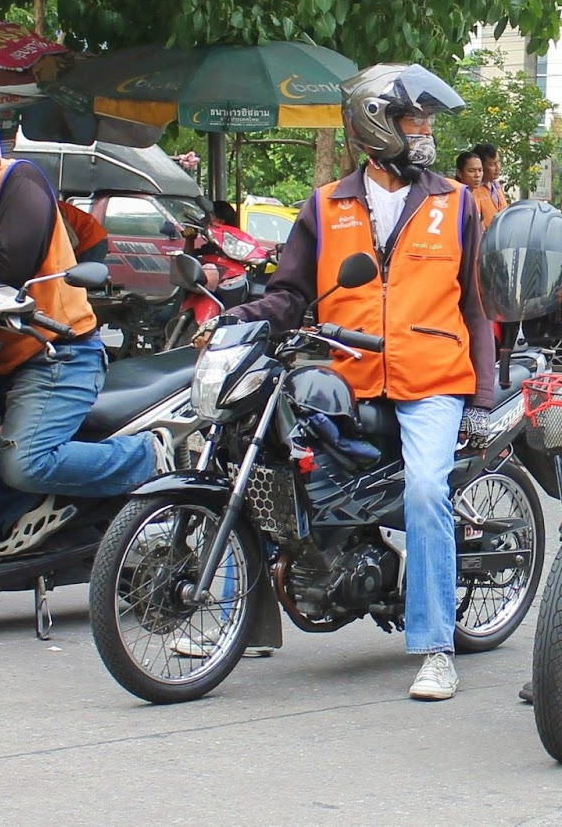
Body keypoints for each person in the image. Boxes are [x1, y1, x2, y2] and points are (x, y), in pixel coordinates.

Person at [201, 63, 496, 702]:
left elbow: (476, 305)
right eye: (414, 119)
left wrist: (482, 396)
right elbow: (289, 294)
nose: (425, 132)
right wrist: (237, 319)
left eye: (427, 121)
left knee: (426, 490)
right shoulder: (326, 203)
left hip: (432, 377)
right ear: (375, 124)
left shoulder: (456, 203)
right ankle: (229, 618)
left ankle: (435, 647)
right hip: (343, 375)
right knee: (257, 460)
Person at [0, 87, 175, 556]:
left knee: (26, 463)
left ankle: (146, 457)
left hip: (55, 350)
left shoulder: (19, 181)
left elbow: (13, 261)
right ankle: (17, 514)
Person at [57, 199, 109, 265]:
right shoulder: (53, 207)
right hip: (95, 238)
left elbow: (72, 241)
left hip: (90, 240)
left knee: (81, 271)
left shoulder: (54, 210)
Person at [473, 141, 505, 228]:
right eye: (492, 164)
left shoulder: (497, 186)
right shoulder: (473, 190)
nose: (498, 168)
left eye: (498, 162)